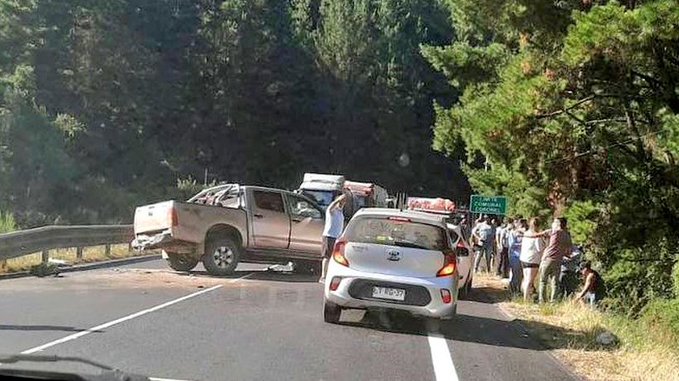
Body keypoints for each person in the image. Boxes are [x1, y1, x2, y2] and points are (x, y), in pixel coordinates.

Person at [538, 217, 573, 303]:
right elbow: (569, 251)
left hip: (548, 259)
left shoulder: (554, 232)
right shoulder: (567, 235)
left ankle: (542, 300)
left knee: (543, 281)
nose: (553, 223)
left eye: (554, 222)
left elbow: (536, 235)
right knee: (555, 283)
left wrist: (524, 234)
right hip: (558, 261)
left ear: (558, 224)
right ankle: (553, 301)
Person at [320, 194, 347, 283]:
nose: (341, 204)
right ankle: (323, 276)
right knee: (327, 257)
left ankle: (330, 275)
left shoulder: (340, 212)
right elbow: (330, 207)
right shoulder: (331, 211)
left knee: (334, 257)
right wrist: (337, 200)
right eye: (340, 202)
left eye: (343, 203)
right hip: (329, 236)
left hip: (337, 237)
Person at [520, 217, 545, 302]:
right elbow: (539, 249)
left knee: (526, 278)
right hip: (533, 260)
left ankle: (525, 295)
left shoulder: (526, 234)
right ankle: (525, 299)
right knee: (529, 280)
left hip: (524, 258)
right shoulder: (537, 236)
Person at [508, 218, 527, 294]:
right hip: (514, 256)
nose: (524, 226)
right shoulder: (513, 233)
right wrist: (523, 244)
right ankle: (513, 289)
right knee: (515, 273)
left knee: (521, 274)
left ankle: (518, 289)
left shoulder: (527, 233)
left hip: (523, 256)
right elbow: (511, 245)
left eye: (525, 224)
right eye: (522, 224)